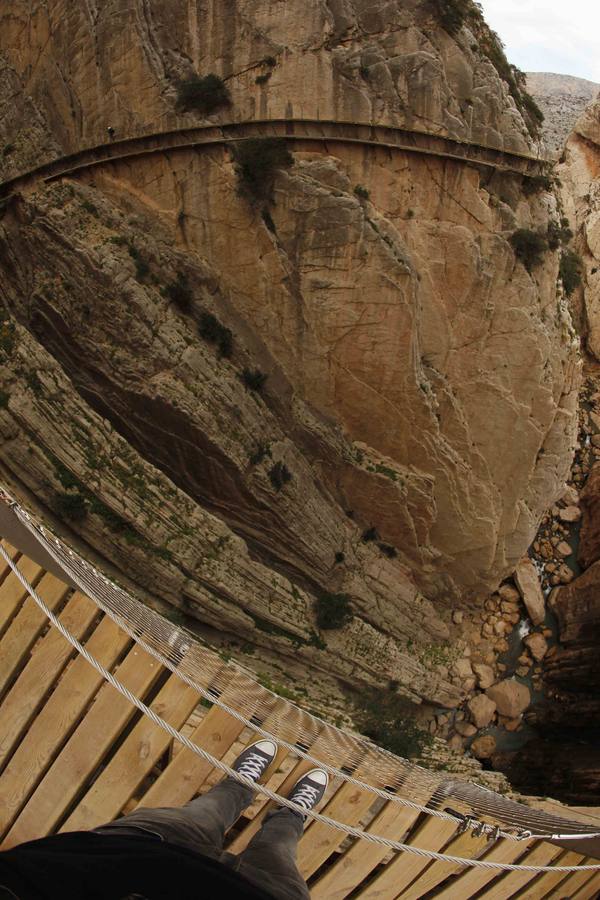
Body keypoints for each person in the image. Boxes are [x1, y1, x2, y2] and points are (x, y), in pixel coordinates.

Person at [0, 740, 329, 900]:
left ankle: (240, 786)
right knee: (280, 845)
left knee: (208, 810)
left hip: (134, 850)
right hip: (267, 893)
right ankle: (291, 813)